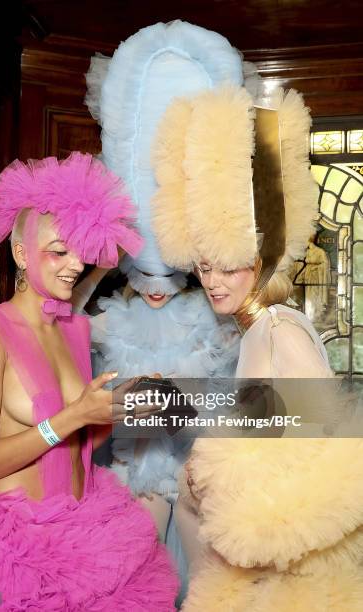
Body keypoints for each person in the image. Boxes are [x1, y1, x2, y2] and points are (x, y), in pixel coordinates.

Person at [0, 152, 179, 611]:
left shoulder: (74, 329)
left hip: (87, 536)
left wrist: (118, 407)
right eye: (59, 251)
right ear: (21, 252)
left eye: (81, 250)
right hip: (10, 551)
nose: (75, 265)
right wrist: (71, 416)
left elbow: (82, 437)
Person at [152, 84, 363, 610]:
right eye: (203, 267)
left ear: (262, 261)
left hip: (283, 579)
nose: (212, 281)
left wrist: (246, 514)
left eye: (227, 265)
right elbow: (270, 424)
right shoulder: (254, 331)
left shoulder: (279, 330)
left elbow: (335, 454)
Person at [82, 21, 244, 602]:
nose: (156, 290)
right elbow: (76, 357)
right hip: (135, 470)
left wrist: (185, 401)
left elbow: (255, 405)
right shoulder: (107, 319)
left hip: (200, 470)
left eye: (170, 276)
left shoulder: (225, 319)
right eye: (142, 277)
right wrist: (98, 264)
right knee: (135, 575)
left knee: (201, 579)